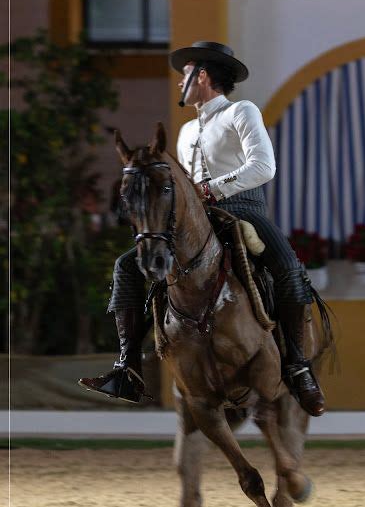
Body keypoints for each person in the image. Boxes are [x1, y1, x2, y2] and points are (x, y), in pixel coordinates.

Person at [79, 41, 326, 417]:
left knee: (288, 267)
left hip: (243, 209)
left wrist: (212, 189)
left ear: (204, 76)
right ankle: (127, 367)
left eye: (186, 76)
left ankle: (297, 365)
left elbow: (264, 167)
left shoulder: (241, 112)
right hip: (196, 220)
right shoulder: (186, 130)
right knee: (127, 265)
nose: (180, 84)